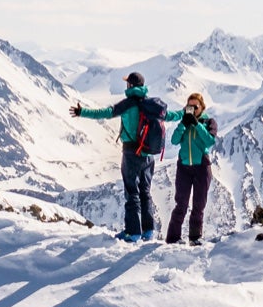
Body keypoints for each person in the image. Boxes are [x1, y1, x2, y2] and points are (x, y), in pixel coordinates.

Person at [72, 73, 169, 242]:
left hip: (131, 153)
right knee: (145, 192)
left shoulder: (128, 104)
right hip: (148, 155)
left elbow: (106, 112)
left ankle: (133, 232)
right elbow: (171, 116)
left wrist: (82, 112)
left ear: (130, 86)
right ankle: (148, 231)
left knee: (132, 192)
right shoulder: (152, 106)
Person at [165, 92, 220, 246]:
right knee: (180, 203)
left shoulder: (209, 121)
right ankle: (173, 238)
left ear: (202, 107)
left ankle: (195, 237)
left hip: (202, 166)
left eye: (195, 106)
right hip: (184, 166)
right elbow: (174, 140)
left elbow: (209, 141)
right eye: (189, 106)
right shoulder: (185, 122)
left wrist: (196, 123)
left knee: (198, 204)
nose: (193, 109)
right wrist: (183, 124)